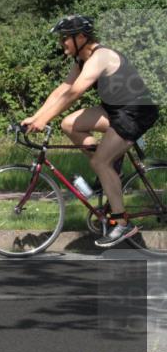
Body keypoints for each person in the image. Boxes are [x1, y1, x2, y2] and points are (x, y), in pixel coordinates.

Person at [22, 15, 159, 247]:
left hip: (136, 112)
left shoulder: (101, 56)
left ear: (81, 37)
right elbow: (62, 90)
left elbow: (74, 93)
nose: (62, 42)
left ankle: (122, 222)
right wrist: (36, 117)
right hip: (115, 111)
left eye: (65, 38)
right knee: (68, 124)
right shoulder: (81, 61)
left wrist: (45, 119)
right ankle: (111, 170)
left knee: (100, 163)